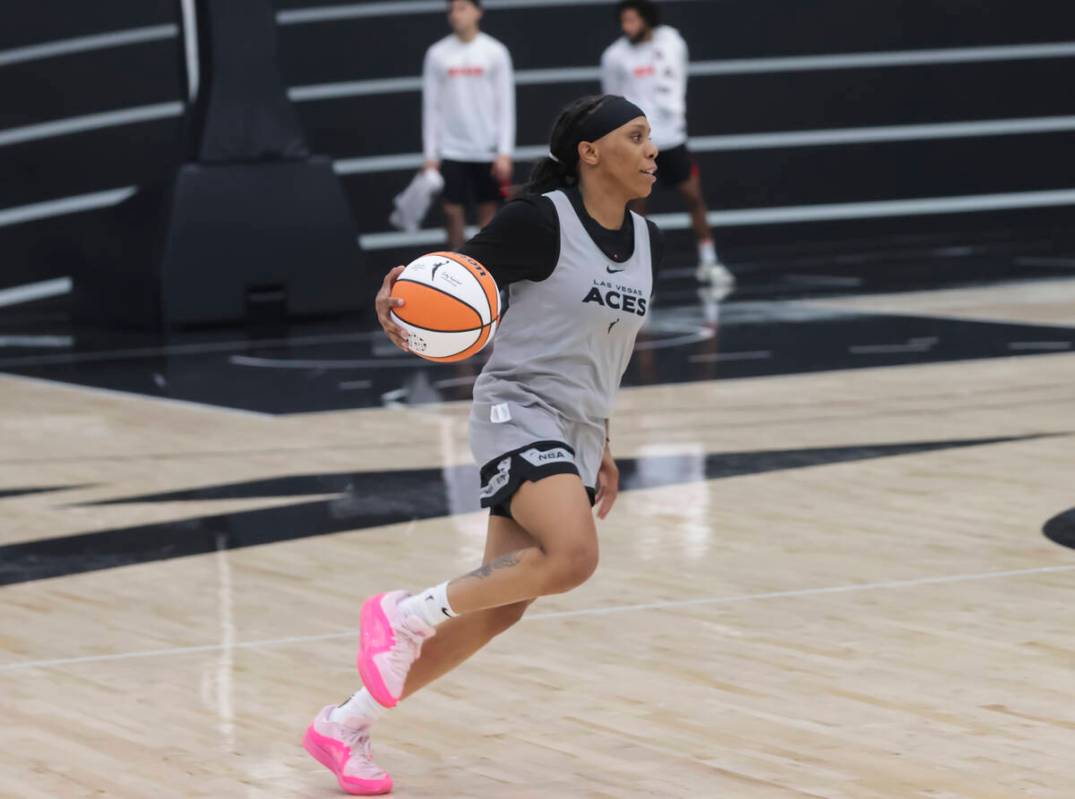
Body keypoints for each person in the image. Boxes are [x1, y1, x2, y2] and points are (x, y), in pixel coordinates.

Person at [302, 95, 664, 796]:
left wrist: (604, 439)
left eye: (651, 137)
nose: (653, 150)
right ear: (590, 151)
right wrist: (398, 290)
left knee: (499, 604)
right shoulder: (541, 220)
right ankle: (402, 612)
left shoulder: (646, 238)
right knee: (574, 555)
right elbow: (455, 282)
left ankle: (345, 722)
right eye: (636, 135)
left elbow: (603, 348)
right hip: (519, 408)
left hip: (579, 429)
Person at [600, 0, 734, 285]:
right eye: (624, 22)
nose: (628, 27)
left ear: (647, 19)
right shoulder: (614, 56)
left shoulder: (672, 40)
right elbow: (611, 102)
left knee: (693, 197)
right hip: (637, 145)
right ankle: (635, 271)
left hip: (672, 139)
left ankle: (709, 262)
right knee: (636, 208)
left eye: (633, 20)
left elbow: (677, 79)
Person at [422, 0, 515, 250]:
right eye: (451, 9)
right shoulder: (436, 54)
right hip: (451, 149)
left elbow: (505, 104)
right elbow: (431, 107)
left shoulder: (495, 51)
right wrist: (431, 154)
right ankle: (453, 277)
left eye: (462, 8)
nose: (455, 14)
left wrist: (504, 152)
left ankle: (488, 278)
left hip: (486, 149)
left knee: (488, 220)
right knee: (452, 214)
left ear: (478, 12)